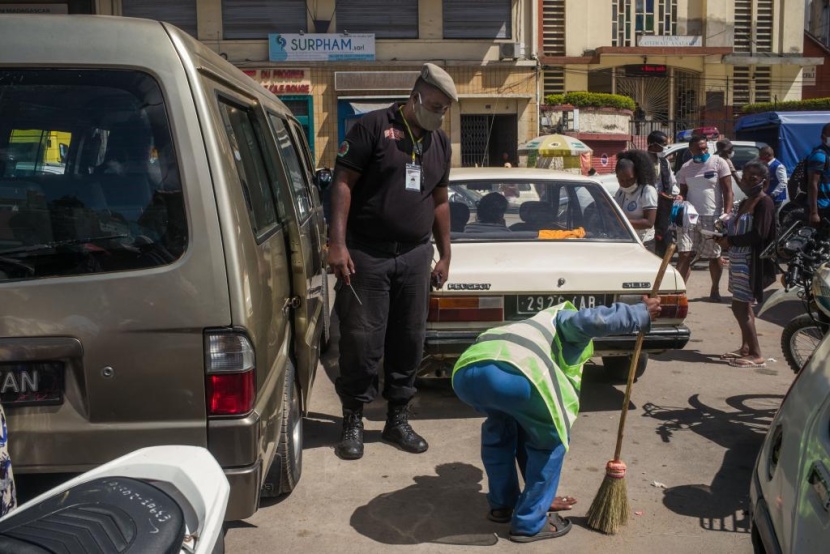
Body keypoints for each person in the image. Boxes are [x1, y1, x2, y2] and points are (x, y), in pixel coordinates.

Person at [452, 297, 661, 543]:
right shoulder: (561, 318)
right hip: (517, 374)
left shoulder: (527, 327)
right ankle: (529, 522)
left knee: (501, 430)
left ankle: (503, 505)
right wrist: (638, 313)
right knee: (550, 443)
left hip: (466, 374)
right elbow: (590, 319)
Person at [327, 63, 456, 460]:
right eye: (432, 105)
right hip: (367, 254)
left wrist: (446, 252)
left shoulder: (440, 143)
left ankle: (397, 419)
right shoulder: (371, 128)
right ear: (415, 95)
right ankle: (353, 418)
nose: (437, 114)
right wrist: (337, 243)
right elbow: (343, 184)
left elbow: (439, 199)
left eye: (443, 109)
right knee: (361, 340)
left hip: (415, 255)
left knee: (409, 339)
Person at [715, 160, 776, 368]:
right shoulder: (745, 202)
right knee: (743, 306)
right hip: (738, 261)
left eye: (753, 178)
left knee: (740, 307)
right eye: (746, 177)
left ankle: (756, 354)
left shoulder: (764, 203)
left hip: (751, 263)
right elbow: (737, 228)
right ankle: (746, 348)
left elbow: (759, 234)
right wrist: (722, 236)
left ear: (764, 182)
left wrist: (730, 241)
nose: (748, 182)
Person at [675, 134, 734, 302]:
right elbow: (683, 191)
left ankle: (714, 289)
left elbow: (727, 190)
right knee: (685, 253)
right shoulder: (686, 168)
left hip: (713, 215)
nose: (703, 151)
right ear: (691, 150)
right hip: (690, 217)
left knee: (714, 255)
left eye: (705, 148)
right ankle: (679, 293)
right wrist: (680, 198)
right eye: (699, 149)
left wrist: (727, 213)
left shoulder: (718, 163)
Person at [613, 150, 658, 246]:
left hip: (644, 243)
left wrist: (621, 222)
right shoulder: (620, 192)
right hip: (626, 241)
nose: (625, 183)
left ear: (637, 175)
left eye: (629, 179)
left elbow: (649, 222)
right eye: (621, 180)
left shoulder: (647, 191)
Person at [646, 131, 678, 257]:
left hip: (663, 206)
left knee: (663, 236)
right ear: (653, 145)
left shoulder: (664, 162)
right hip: (647, 205)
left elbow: (671, 182)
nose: (666, 147)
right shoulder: (642, 160)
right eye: (663, 145)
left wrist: (674, 194)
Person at [806, 122, 830, 227]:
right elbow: (812, 184)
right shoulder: (819, 155)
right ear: (823, 137)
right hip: (822, 207)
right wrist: (814, 212)